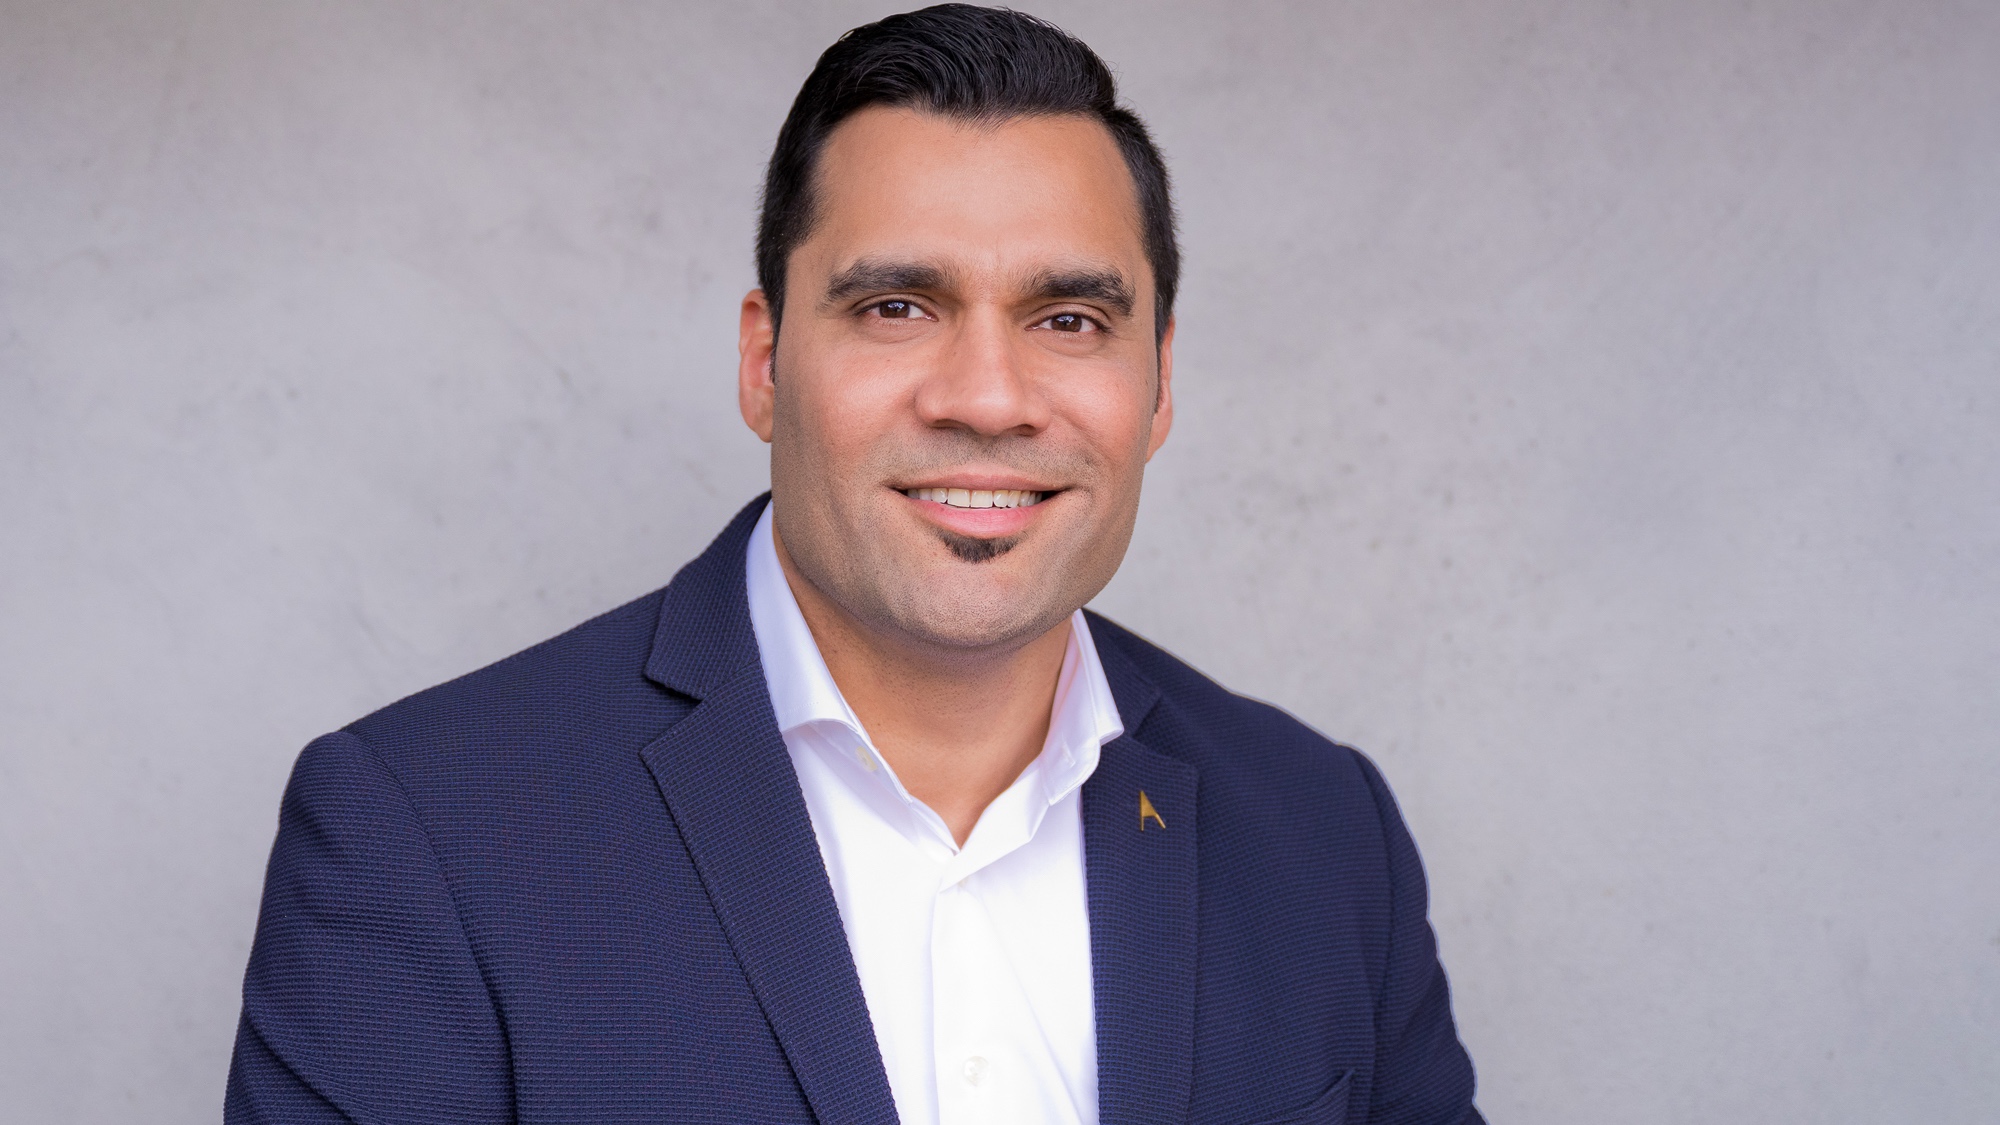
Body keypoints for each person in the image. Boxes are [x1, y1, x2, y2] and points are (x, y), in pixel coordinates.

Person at [225, 6, 1482, 1124]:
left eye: (1069, 321)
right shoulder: (424, 835)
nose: (988, 398)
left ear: (1157, 385)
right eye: (896, 307)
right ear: (764, 365)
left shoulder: (1324, 833)